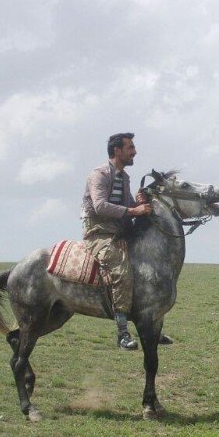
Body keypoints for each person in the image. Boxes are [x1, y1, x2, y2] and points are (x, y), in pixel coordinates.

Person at [82, 132, 152, 350]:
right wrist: (134, 209)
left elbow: (127, 206)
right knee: (121, 271)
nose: (135, 151)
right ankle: (122, 334)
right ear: (117, 151)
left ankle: (151, 325)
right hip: (99, 234)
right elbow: (100, 206)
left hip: (120, 232)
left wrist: (138, 203)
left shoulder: (124, 177)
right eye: (130, 147)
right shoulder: (99, 174)